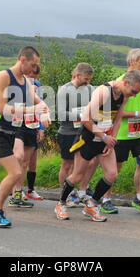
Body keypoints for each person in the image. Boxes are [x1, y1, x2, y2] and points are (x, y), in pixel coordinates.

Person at [55, 70, 140, 222]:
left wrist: (112, 140)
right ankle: (61, 203)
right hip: (88, 137)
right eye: (133, 91)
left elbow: (118, 118)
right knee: (77, 175)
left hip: (105, 138)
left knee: (112, 174)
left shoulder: (124, 95)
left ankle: (92, 205)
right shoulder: (103, 92)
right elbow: (85, 118)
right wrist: (103, 136)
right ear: (125, 83)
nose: (134, 95)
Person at [0, 46, 50, 227]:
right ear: (23, 59)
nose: (34, 69)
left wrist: (45, 113)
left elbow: (40, 103)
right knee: (15, 172)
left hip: (11, 132)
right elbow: (3, 109)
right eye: (33, 64)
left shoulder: (26, 82)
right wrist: (32, 109)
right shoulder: (4, 76)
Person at [108, 48, 140, 215]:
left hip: (139, 133)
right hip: (121, 133)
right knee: (114, 171)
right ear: (131, 62)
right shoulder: (122, 82)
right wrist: (137, 114)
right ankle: (105, 199)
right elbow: (116, 112)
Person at [56, 63, 98, 207]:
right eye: (86, 78)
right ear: (78, 75)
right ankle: (65, 195)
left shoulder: (91, 89)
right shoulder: (64, 90)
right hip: (68, 132)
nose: (88, 82)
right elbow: (61, 114)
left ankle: (82, 191)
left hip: (85, 132)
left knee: (87, 163)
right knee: (67, 164)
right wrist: (82, 114)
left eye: (90, 79)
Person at [9, 65, 43, 206]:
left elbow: (40, 107)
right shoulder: (15, 83)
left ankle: (18, 192)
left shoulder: (37, 85)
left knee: (25, 163)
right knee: (18, 157)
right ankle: (14, 192)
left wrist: (41, 128)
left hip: (32, 125)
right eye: (30, 75)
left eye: (34, 77)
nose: (32, 78)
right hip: (17, 124)